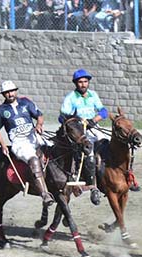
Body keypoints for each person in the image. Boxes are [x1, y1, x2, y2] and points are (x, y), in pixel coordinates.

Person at [0, 81, 54, 207]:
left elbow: (39, 115)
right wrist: (3, 145)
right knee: (34, 160)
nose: (10, 94)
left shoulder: (25, 102)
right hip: (19, 143)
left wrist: (38, 125)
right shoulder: (1, 110)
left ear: (16, 91)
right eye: (7, 92)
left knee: (56, 148)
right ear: (3, 94)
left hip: (34, 137)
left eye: (12, 91)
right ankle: (44, 194)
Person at [59, 68, 109, 203]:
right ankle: (93, 188)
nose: (83, 84)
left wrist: (95, 120)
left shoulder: (93, 95)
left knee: (110, 145)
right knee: (90, 154)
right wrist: (78, 123)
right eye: (80, 82)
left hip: (94, 127)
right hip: (80, 132)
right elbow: (63, 117)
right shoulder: (70, 98)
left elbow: (104, 111)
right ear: (76, 83)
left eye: (85, 81)